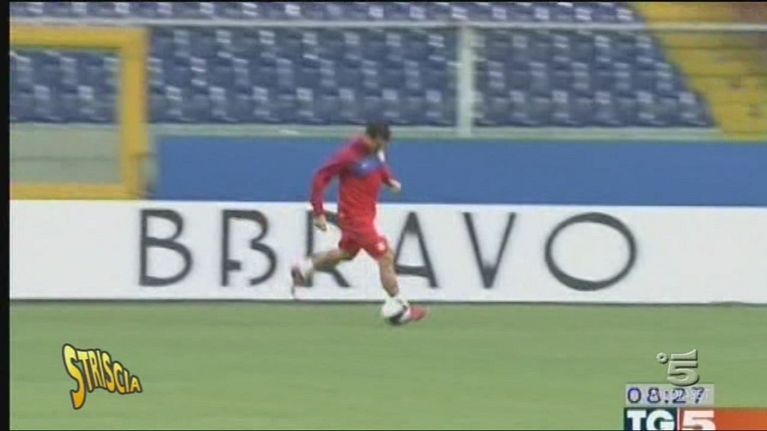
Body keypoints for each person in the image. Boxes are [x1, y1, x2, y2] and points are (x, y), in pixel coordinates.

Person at [291, 123, 427, 325]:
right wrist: (318, 212)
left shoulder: (375, 152)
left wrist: (389, 181)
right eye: (383, 143)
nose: (385, 147)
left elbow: (379, 167)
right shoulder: (348, 155)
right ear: (374, 138)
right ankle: (400, 308)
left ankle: (305, 267)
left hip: (365, 216)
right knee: (385, 255)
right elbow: (321, 177)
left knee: (346, 253)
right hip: (355, 219)